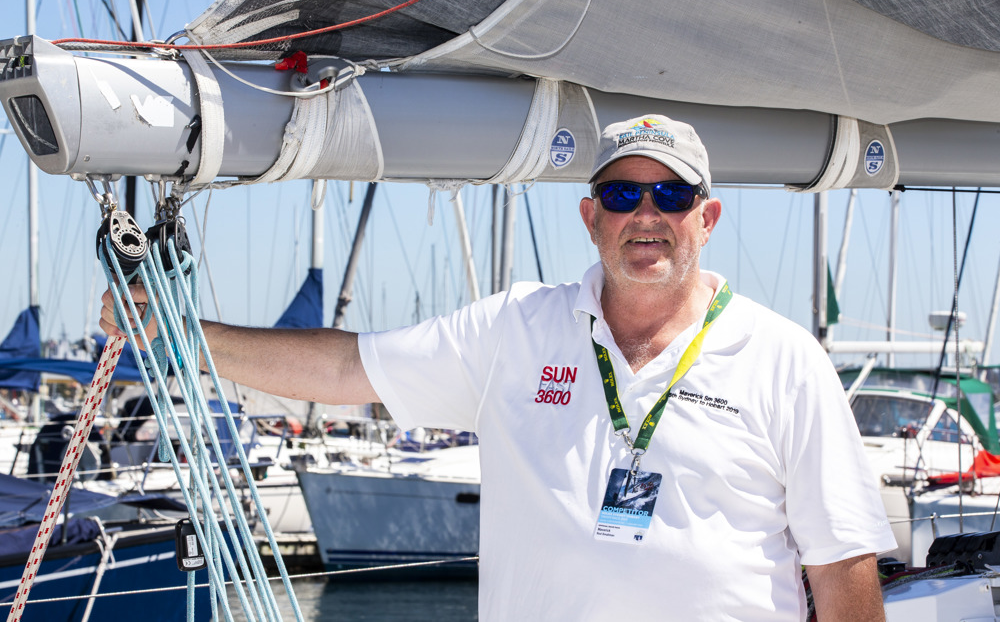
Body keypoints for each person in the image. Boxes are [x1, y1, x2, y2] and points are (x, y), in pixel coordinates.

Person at [102, 114, 896, 621]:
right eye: (621, 196)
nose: (645, 214)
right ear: (590, 218)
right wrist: (177, 335)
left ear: (707, 217)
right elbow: (351, 369)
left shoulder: (784, 359)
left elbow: (844, 571)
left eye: (671, 193)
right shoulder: (516, 329)